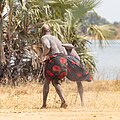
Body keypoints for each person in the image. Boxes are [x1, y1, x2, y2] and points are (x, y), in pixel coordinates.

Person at [40, 24, 68, 109]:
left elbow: (47, 46)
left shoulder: (44, 37)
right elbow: (64, 51)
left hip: (54, 60)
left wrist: (44, 55)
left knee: (47, 80)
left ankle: (44, 105)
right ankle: (63, 101)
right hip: (63, 60)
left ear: (42, 32)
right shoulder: (56, 39)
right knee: (56, 81)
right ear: (50, 30)